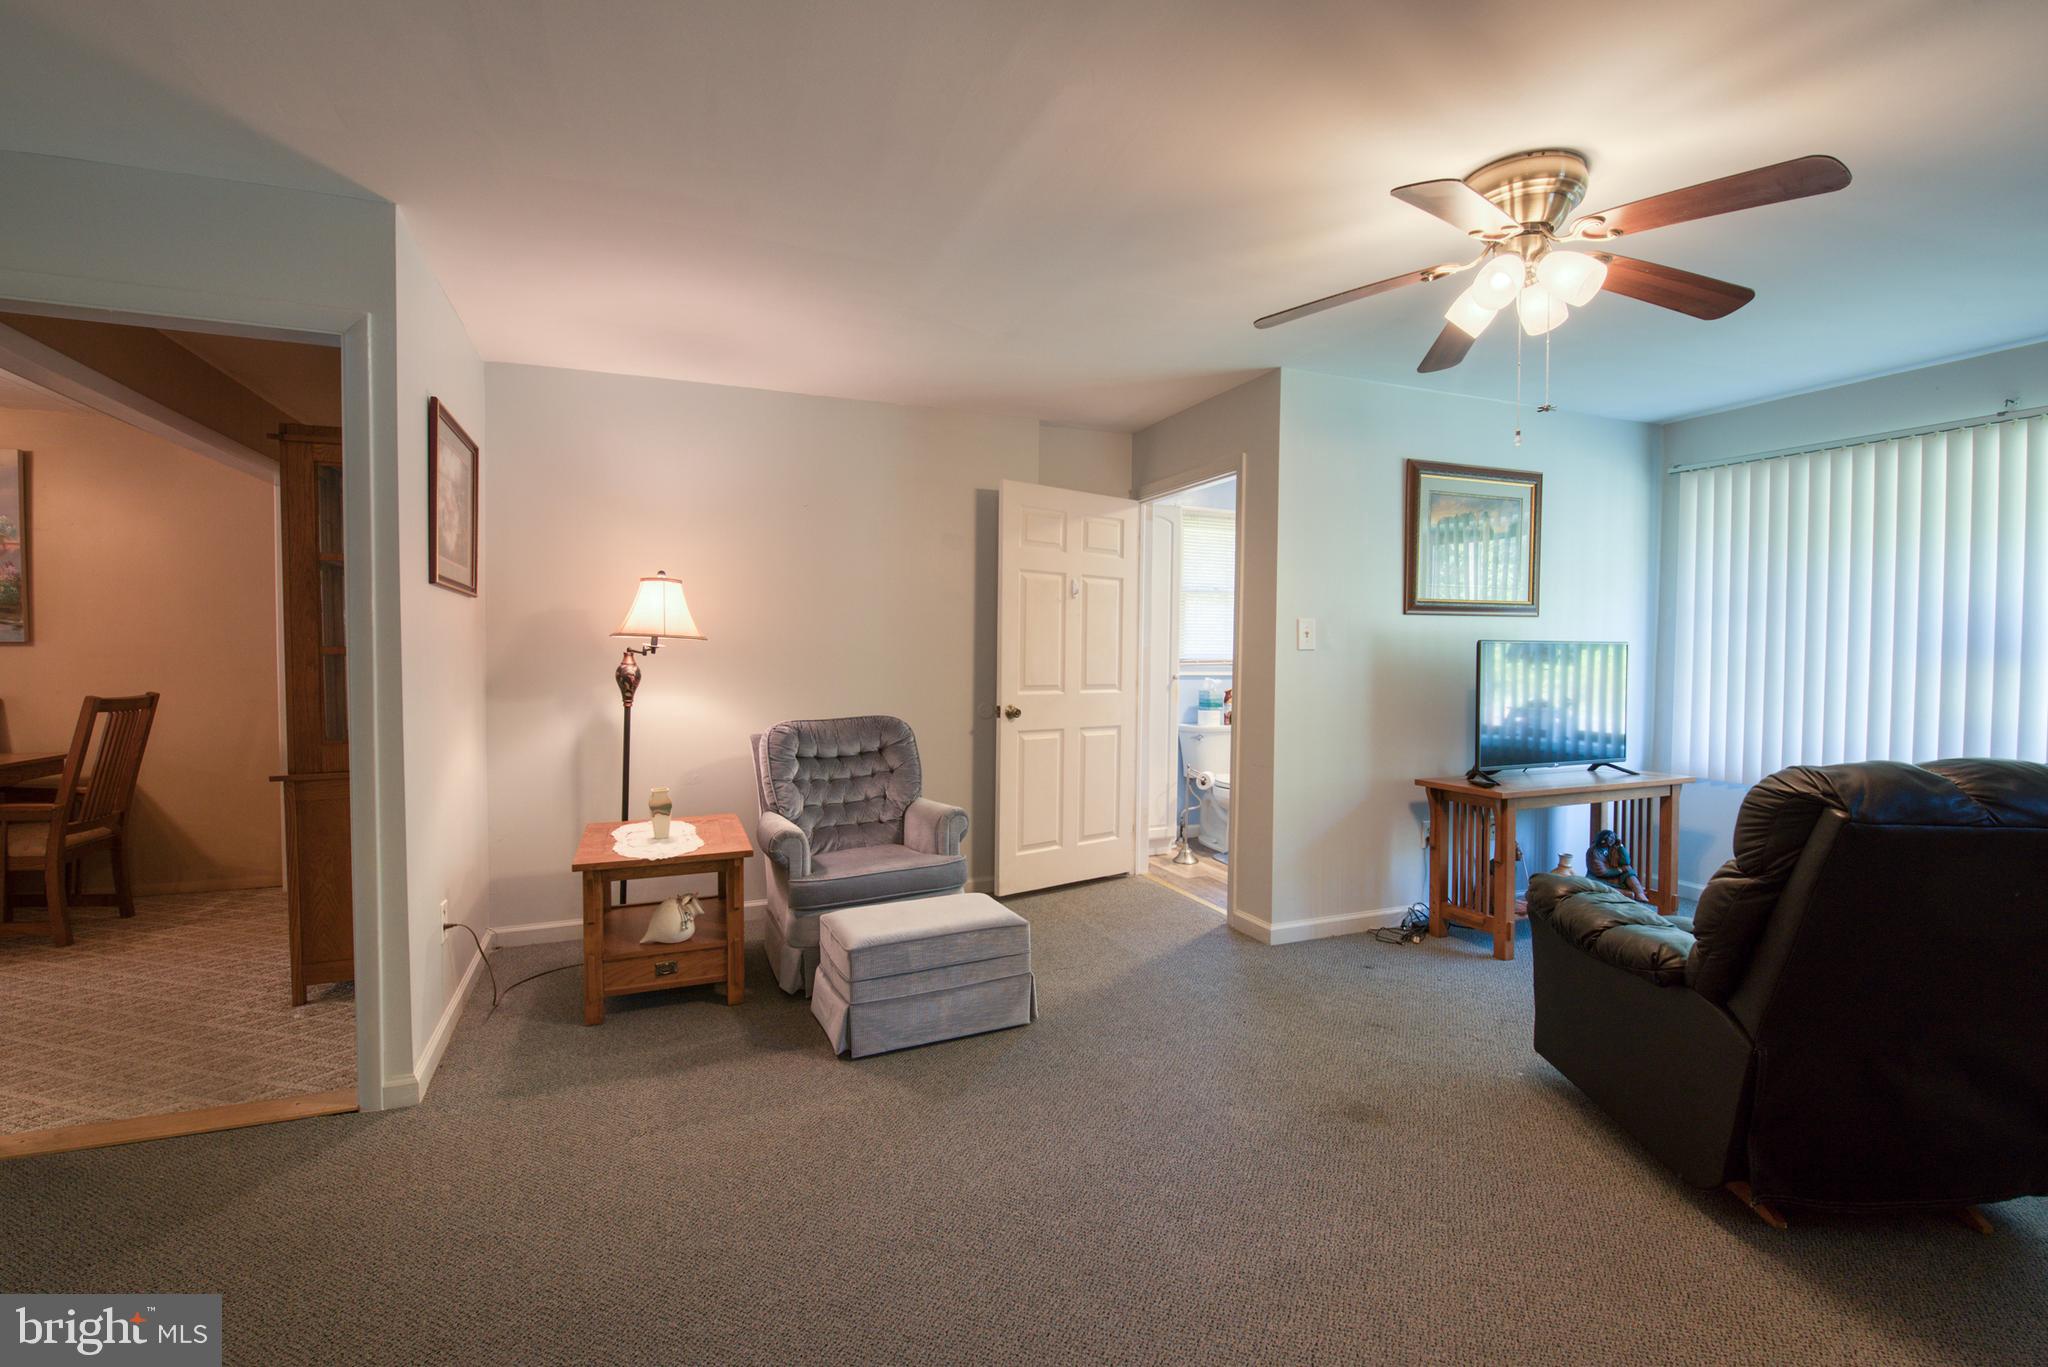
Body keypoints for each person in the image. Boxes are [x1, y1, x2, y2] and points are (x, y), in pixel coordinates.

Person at [1586, 828, 1649, 903]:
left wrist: (1621, 847)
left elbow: (1626, 862)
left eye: (1612, 838)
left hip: (1616, 875)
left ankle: (1639, 893)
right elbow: (1601, 872)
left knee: (1629, 872)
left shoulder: (1614, 847)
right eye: (1609, 838)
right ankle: (1628, 895)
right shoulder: (1594, 852)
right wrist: (1620, 870)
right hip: (1599, 878)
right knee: (1603, 887)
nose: (1611, 840)